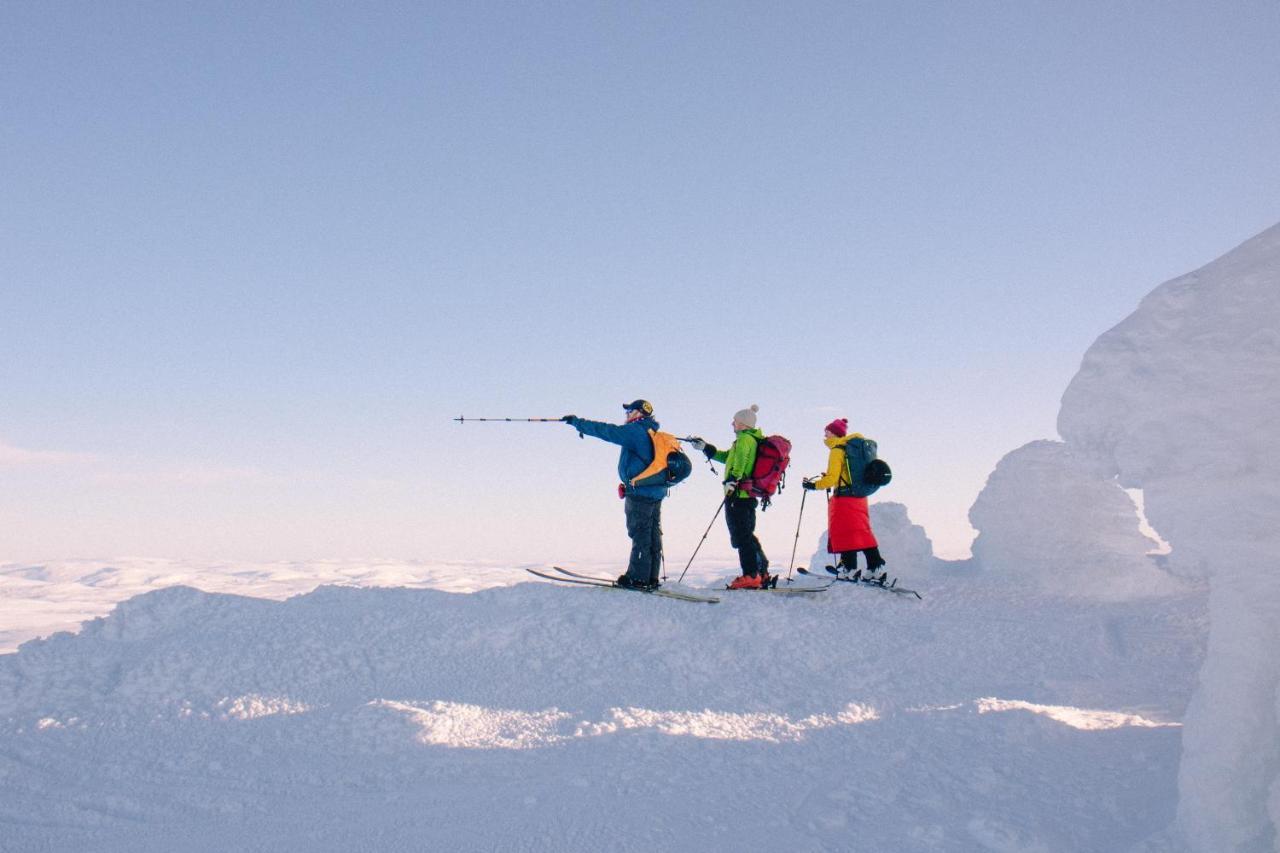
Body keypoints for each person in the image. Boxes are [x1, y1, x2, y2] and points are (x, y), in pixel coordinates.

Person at [562, 400, 666, 590]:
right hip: (655, 491)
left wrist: (578, 423)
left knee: (639, 532)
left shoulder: (635, 431)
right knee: (651, 533)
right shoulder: (653, 432)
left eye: (630, 411)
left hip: (639, 492)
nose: (626, 415)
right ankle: (651, 577)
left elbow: (606, 431)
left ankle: (638, 578)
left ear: (639, 413)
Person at [690, 404, 772, 590]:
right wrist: (706, 448)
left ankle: (751, 575)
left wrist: (733, 480)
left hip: (738, 495)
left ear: (742, 424)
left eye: (734, 421)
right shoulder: (750, 440)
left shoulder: (744, 441)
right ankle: (761, 572)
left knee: (741, 537)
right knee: (747, 535)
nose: (732, 424)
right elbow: (727, 457)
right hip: (746, 495)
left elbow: (740, 462)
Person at [802, 417, 887, 582]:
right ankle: (875, 568)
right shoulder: (852, 449)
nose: (824, 434)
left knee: (844, 532)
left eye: (827, 431)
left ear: (834, 433)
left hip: (845, 498)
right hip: (860, 497)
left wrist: (813, 485)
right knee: (861, 532)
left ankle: (849, 568)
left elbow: (832, 479)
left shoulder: (837, 450)